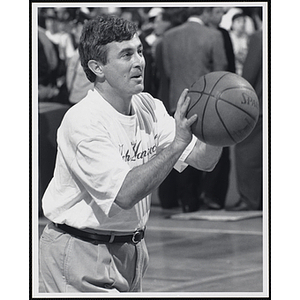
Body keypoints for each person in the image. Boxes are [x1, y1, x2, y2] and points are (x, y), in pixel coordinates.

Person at [39, 15, 223, 293]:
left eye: (138, 50)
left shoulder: (147, 105)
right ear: (97, 67)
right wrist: (175, 146)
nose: (139, 61)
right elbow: (124, 194)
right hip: (80, 249)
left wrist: (219, 131)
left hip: (131, 249)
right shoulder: (83, 120)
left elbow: (203, 159)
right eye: (126, 55)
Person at [161, 7, 227, 212]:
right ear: (204, 13)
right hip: (206, 103)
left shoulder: (169, 36)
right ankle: (203, 197)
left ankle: (187, 201)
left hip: (177, 99)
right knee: (203, 152)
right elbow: (221, 71)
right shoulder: (213, 35)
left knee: (180, 150)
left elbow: (167, 70)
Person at [228, 27, 263, 211]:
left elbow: (250, 72)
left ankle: (250, 199)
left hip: (261, 104)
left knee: (247, 153)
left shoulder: (260, 36)